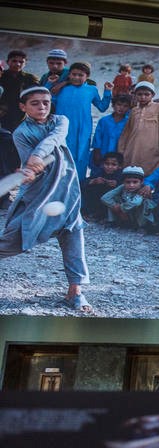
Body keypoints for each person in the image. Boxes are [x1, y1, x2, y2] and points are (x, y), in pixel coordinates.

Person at [0, 86, 91, 312]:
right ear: (23, 107)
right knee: (13, 240)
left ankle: (75, 291)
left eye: (45, 102)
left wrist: (38, 155)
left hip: (67, 191)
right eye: (35, 103)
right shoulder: (21, 133)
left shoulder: (61, 120)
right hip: (40, 196)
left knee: (73, 236)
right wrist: (30, 172)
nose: (42, 107)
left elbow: (56, 138)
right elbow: (31, 166)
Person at [51, 62, 113, 181]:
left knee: (80, 157)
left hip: (83, 128)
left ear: (87, 76)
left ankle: (79, 186)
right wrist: (55, 84)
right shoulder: (61, 89)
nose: (76, 78)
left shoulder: (92, 89)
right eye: (74, 74)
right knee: (61, 156)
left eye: (81, 75)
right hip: (61, 128)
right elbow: (50, 102)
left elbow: (102, 107)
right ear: (69, 75)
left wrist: (107, 92)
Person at [117, 81, 159, 175]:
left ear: (153, 95)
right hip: (133, 147)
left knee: (149, 171)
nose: (143, 97)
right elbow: (127, 131)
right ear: (135, 95)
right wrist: (121, 148)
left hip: (152, 148)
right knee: (132, 172)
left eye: (146, 94)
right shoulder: (134, 110)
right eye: (139, 94)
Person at [100, 165, 156, 229]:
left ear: (141, 182)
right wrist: (115, 206)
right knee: (114, 199)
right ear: (123, 182)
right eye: (128, 182)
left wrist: (120, 208)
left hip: (138, 215)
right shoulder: (122, 187)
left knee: (144, 203)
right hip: (126, 213)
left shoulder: (143, 190)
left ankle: (142, 226)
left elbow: (135, 203)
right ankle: (113, 222)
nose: (131, 185)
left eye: (135, 182)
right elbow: (105, 198)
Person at [90, 93, 131, 174]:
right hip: (103, 153)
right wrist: (97, 153)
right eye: (119, 104)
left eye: (125, 106)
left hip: (119, 155)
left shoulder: (128, 122)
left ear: (129, 108)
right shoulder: (104, 120)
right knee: (98, 174)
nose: (121, 108)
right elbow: (97, 138)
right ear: (113, 105)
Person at [0, 50, 39, 131]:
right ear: (8, 62)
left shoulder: (30, 78)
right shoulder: (1, 75)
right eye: (14, 61)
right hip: (2, 112)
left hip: (21, 114)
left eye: (21, 62)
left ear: (25, 64)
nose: (17, 64)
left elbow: (38, 95)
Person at [81, 151, 123, 221]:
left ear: (119, 166)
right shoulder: (100, 172)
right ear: (102, 164)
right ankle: (94, 213)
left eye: (113, 164)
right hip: (99, 199)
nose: (109, 167)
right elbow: (82, 183)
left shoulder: (121, 175)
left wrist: (118, 184)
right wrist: (93, 181)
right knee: (90, 188)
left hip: (112, 202)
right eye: (107, 164)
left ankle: (109, 216)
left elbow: (129, 186)